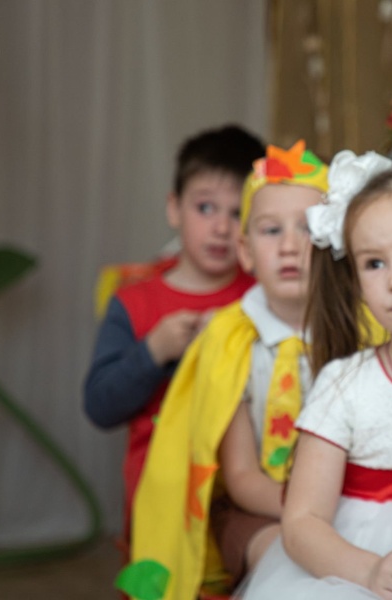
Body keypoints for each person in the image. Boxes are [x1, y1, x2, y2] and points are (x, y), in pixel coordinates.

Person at [238, 129, 392, 600]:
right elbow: (302, 520)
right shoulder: (345, 385)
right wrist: (366, 571)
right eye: (374, 263)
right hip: (356, 571)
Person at [123, 141, 330, 600]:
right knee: (288, 561)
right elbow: (240, 478)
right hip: (253, 510)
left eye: (308, 228)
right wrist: (311, 514)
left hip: (343, 501)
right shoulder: (230, 341)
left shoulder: (358, 332)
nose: (290, 246)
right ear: (245, 250)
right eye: (271, 230)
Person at [83, 124, 264, 544]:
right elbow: (99, 407)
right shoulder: (134, 302)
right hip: (158, 499)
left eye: (238, 212)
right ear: (174, 208)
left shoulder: (263, 297)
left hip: (246, 497)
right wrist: (153, 351)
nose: (222, 228)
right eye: (205, 208)